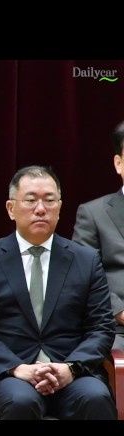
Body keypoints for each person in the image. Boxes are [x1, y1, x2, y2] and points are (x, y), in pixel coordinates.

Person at [0, 165, 116, 420]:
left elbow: (101, 327)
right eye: (30, 200)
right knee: (20, 401)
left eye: (49, 200)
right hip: (13, 374)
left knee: (96, 397)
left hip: (72, 372)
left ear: (60, 208)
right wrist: (16, 367)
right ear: (11, 208)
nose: (40, 209)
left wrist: (70, 368)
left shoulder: (85, 260)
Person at [73, 120, 124, 350]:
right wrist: (119, 311)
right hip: (117, 330)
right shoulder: (93, 214)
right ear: (118, 163)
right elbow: (84, 276)